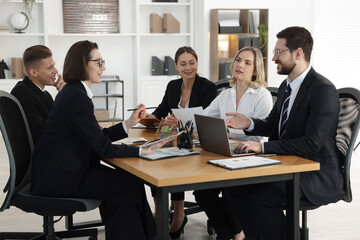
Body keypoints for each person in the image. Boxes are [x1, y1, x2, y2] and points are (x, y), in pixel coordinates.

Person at [31, 40, 174, 240]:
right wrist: (143, 150)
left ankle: (150, 235)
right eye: (99, 62)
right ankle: (150, 235)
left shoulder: (75, 93)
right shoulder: (76, 97)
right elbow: (103, 148)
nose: (103, 67)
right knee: (127, 185)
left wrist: (128, 123)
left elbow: (96, 138)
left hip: (64, 171)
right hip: (61, 178)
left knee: (129, 182)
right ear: (83, 64)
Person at [222, 26, 344, 239]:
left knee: (264, 196)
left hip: (314, 172)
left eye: (279, 52)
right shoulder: (287, 86)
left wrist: (262, 147)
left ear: (298, 54)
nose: (274, 58)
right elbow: (273, 125)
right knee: (234, 189)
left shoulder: (323, 90)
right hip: (287, 163)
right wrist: (248, 122)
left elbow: (311, 144)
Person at [194, 46, 272, 240]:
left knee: (231, 191)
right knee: (202, 192)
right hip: (224, 151)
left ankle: (233, 234)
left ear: (255, 70)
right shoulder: (225, 95)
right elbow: (203, 119)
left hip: (248, 155)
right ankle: (235, 232)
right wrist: (185, 122)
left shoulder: (262, 95)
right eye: (238, 60)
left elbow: (261, 132)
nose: (240, 65)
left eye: (247, 63)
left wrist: (232, 133)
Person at [146, 46, 217, 239]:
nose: (188, 68)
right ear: (176, 66)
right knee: (154, 162)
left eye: (192, 63)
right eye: (183, 64)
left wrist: (180, 122)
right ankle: (160, 211)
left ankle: (179, 214)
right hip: (176, 141)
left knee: (172, 165)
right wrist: (149, 117)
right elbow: (161, 111)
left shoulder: (207, 87)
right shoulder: (172, 86)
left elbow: (208, 121)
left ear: (197, 63)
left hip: (198, 143)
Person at [11, 45, 65, 144]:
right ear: (34, 72)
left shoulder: (43, 94)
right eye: (50, 67)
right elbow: (42, 135)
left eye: (54, 65)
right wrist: (64, 97)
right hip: (45, 154)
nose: (56, 71)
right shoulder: (23, 93)